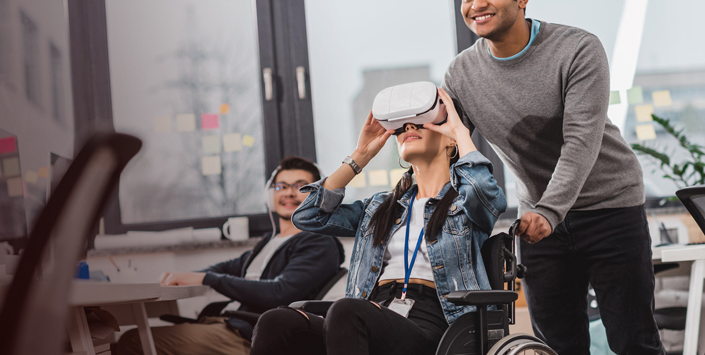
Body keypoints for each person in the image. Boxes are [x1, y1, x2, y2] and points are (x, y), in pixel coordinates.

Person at [442, 0, 664, 354]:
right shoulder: (461, 73)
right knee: (556, 347)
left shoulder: (577, 48)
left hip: (610, 207)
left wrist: (550, 210)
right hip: (537, 222)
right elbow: (448, 150)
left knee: (633, 340)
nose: (476, 5)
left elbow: (579, 140)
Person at [250, 89, 507, 355]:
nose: (408, 127)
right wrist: (360, 156)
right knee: (275, 321)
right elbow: (309, 216)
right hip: (374, 310)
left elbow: (488, 196)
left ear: (449, 140)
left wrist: (462, 133)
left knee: (347, 310)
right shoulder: (380, 206)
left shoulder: (465, 203)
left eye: (422, 122)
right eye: (401, 127)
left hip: (437, 320)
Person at [116, 156, 345, 355]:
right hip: (229, 324)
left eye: (299, 186)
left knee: (132, 341)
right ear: (270, 194)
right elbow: (229, 267)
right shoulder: (269, 241)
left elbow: (279, 293)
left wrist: (207, 280)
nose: (288, 193)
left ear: (317, 194)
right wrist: (192, 275)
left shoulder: (319, 242)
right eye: (281, 186)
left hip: (253, 337)